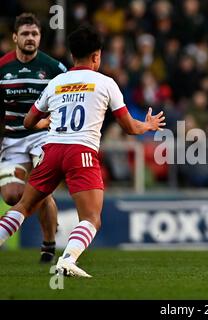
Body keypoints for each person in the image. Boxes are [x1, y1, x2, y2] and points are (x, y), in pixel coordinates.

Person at [0, 25, 165, 277]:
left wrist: (47, 122)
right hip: (81, 153)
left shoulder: (56, 82)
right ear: (97, 56)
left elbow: (28, 122)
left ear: (72, 55)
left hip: (51, 150)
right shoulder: (105, 82)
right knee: (91, 218)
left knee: (23, 206)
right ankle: (67, 259)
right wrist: (148, 125)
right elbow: (129, 127)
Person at [0, 13, 67, 263]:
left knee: (42, 190)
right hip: (13, 139)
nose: (30, 38)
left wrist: (53, 123)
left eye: (35, 34)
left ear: (40, 38)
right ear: (15, 37)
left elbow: (68, 101)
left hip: (43, 136)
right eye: (26, 34)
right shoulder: (3, 68)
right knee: (11, 196)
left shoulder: (54, 68)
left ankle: (49, 244)